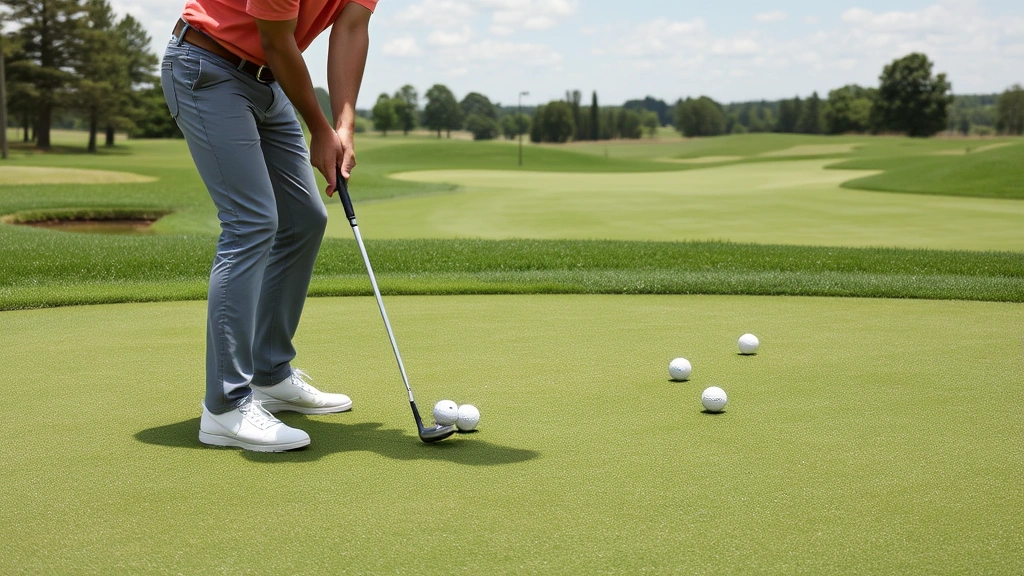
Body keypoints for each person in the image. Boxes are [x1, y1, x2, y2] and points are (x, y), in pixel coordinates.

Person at [161, 0, 376, 451]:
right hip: (207, 67)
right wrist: (319, 128)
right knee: (251, 223)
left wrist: (344, 125)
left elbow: (351, 28)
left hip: (268, 81)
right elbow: (277, 40)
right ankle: (224, 406)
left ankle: (270, 374)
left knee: (304, 218)